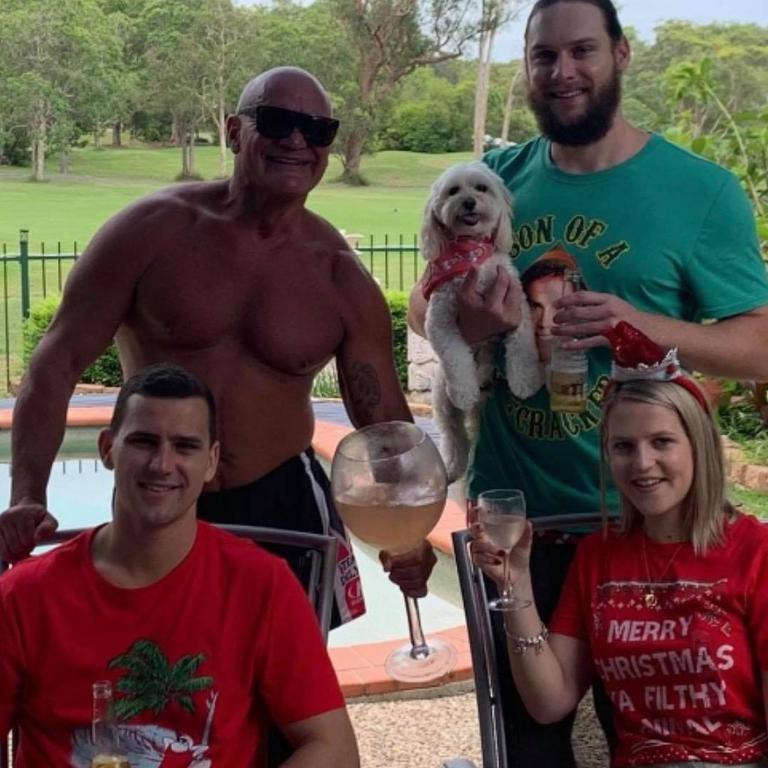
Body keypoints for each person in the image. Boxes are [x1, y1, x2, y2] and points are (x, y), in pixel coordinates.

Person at [408, 0, 768, 760]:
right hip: (517, 522)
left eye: (581, 52)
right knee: (529, 746)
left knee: (667, 742)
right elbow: (422, 305)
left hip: (642, 519)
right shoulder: (496, 181)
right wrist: (479, 327)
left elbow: (760, 345)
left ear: (621, 54)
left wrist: (639, 325)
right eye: (543, 56)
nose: (561, 73)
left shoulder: (699, 191)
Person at [0, 65, 434, 624]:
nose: (297, 141)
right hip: (158, 493)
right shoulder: (151, 232)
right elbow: (55, 363)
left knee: (284, 695)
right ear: (233, 132)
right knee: (148, 681)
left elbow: (385, 428)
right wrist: (27, 495)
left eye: (318, 129)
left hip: (282, 504)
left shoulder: (339, 277)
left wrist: (410, 534)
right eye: (277, 121)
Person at [0, 363, 359, 767]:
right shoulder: (26, 596)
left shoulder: (261, 587)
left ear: (210, 461)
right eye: (143, 442)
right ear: (107, 449)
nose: (162, 464)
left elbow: (333, 748)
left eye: (185, 446)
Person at [472, 323, 768, 767]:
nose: (642, 463)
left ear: (698, 445)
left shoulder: (755, 550)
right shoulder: (598, 556)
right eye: (623, 446)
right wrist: (515, 585)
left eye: (662, 442)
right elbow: (549, 701)